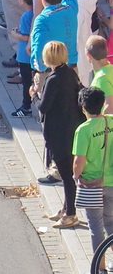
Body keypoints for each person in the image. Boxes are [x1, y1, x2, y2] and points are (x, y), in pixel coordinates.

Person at [36, 40, 83, 228]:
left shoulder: (53, 78)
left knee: (66, 175)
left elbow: (44, 106)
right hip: (72, 127)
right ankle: (65, 208)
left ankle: (70, 214)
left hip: (59, 133)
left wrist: (34, 95)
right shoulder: (70, 73)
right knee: (67, 173)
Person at [73, 84, 113, 257]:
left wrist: (76, 177)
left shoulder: (83, 130)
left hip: (92, 185)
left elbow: (79, 161)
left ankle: (100, 270)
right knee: (110, 223)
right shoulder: (111, 121)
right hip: (111, 182)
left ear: (83, 107)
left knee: (95, 228)